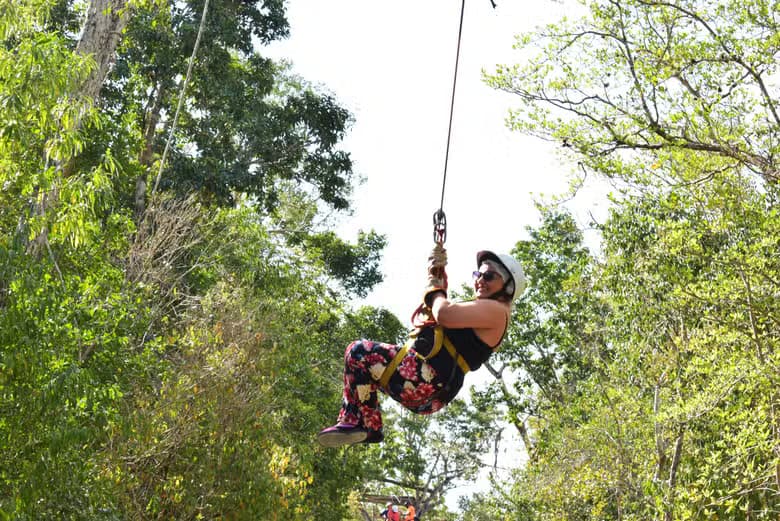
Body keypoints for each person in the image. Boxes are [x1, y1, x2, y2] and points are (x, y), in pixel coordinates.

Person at [317, 247, 526, 448]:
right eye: (477, 275)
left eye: (488, 276)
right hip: (429, 390)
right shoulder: (487, 310)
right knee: (362, 368)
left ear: (508, 285)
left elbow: (444, 313)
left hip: (426, 380)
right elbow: (443, 310)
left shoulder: (498, 312)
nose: (480, 280)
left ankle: (361, 421)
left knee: (358, 352)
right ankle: (367, 425)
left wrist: (435, 289)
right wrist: (436, 275)